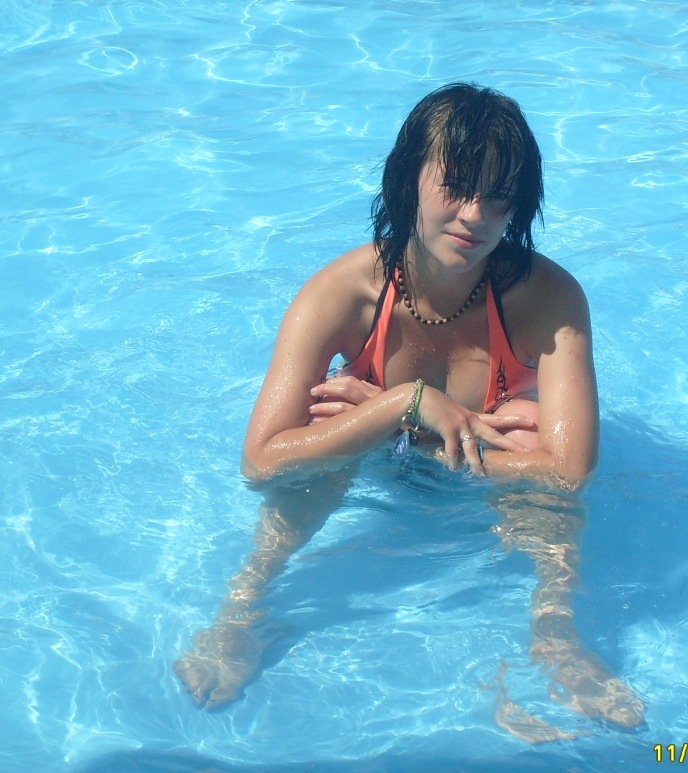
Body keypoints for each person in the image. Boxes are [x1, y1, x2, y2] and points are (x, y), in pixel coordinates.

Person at [174, 83, 645, 738]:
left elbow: (568, 474)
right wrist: (403, 405)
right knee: (321, 442)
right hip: (423, 456)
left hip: (487, 467)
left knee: (540, 467)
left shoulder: (549, 298)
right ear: (408, 180)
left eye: (498, 195)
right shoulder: (342, 293)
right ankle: (242, 610)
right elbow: (261, 462)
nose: (475, 215)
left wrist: (413, 435)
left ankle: (556, 635)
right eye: (456, 185)